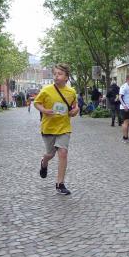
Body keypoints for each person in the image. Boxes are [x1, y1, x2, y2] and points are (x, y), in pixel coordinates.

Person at [35, 63, 79, 195]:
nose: (56, 76)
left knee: (63, 153)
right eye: (55, 74)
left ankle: (60, 184)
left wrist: (75, 111)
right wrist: (44, 110)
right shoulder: (46, 90)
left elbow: (75, 106)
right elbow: (37, 103)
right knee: (50, 154)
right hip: (48, 127)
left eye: (59, 74)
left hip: (64, 127)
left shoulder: (71, 92)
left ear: (66, 77)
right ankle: (44, 162)